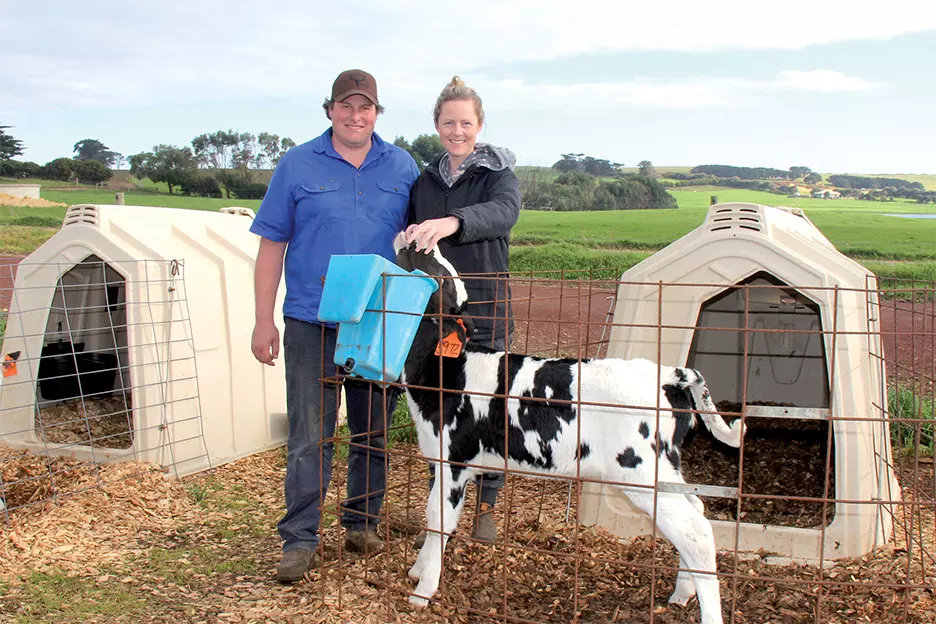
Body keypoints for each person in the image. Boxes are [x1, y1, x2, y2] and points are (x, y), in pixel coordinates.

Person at [250, 69, 420, 584]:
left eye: (365, 108)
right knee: (309, 435)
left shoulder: (402, 165)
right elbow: (272, 244)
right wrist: (263, 319)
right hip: (310, 319)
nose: (355, 116)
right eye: (346, 106)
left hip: (377, 320)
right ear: (330, 110)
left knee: (372, 431)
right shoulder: (298, 163)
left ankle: (361, 523)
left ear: (376, 113)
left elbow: (417, 242)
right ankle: (299, 539)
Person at [404, 76, 522, 545]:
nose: (457, 131)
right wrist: (406, 238)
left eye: (466, 123)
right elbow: (410, 231)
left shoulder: (497, 176)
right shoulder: (425, 182)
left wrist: (456, 220)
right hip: (440, 318)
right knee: (443, 408)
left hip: (488, 311)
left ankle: (487, 505)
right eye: (449, 122)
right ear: (436, 125)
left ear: (480, 125)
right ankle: (441, 506)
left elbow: (504, 213)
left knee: (491, 410)